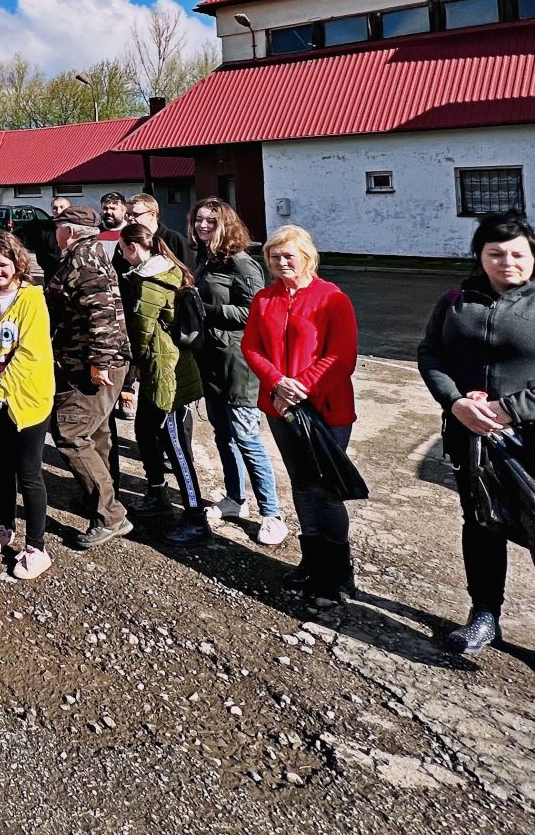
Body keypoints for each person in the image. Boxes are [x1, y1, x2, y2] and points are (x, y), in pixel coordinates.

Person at [419, 213, 535, 697]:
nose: (507, 261)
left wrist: (509, 410)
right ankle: (484, 615)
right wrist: (455, 402)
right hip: (474, 439)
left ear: (534, 256)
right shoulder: (455, 303)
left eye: (517, 253)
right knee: (482, 525)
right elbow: (431, 355)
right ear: (480, 257)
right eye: (495, 253)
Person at [243, 225, 360, 605]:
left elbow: (342, 357)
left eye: (288, 256)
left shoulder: (333, 299)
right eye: (274, 257)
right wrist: (278, 382)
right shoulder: (264, 299)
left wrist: (302, 387)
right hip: (280, 407)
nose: (281, 263)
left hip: (326, 409)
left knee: (327, 489)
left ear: (307, 256)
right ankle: (311, 560)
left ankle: (339, 572)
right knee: (301, 483)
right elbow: (251, 347)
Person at [190, 199, 284, 546]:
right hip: (212, 360)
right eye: (198, 219)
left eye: (210, 221)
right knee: (222, 435)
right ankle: (235, 499)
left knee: (247, 438)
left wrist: (207, 310)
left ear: (225, 224)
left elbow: (254, 310)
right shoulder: (207, 259)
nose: (202, 226)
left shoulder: (242, 263)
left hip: (238, 363)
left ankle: (272, 514)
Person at [44, 206, 135, 550]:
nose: (54, 233)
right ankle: (99, 500)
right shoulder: (85, 255)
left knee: (70, 432)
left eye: (58, 227)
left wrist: (99, 363)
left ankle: (109, 515)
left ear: (69, 231)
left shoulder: (84, 262)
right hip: (85, 362)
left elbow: (102, 316)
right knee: (97, 433)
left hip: (91, 365)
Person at [0, 232, 57, 580]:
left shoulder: (31, 300)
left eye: (3, 264)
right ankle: (5, 524)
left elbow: (30, 353)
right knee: (3, 468)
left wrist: (2, 388)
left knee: (29, 472)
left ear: (17, 264)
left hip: (28, 401)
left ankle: (37, 546)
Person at [120, 221, 209, 544]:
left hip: (166, 372)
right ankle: (158, 493)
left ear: (133, 247)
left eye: (123, 249)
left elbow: (140, 333)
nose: (122, 255)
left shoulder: (150, 281)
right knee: (145, 430)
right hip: (162, 367)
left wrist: (129, 368)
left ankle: (196, 517)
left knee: (176, 445)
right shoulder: (168, 269)